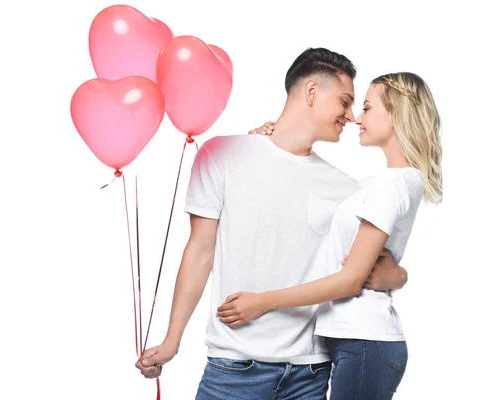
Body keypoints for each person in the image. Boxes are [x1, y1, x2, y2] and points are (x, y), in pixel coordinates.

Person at [135, 47, 408, 400]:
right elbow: (200, 253)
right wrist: (172, 341)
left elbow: (376, 266)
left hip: (310, 373)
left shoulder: (347, 189)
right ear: (311, 92)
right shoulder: (220, 156)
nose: (351, 116)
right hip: (233, 368)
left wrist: (400, 276)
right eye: (345, 101)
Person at [217, 72, 443, 399]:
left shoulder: (391, 184)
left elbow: (350, 280)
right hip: (355, 343)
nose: (357, 118)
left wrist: (262, 302)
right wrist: (270, 147)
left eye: (367, 108)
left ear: (396, 115)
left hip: (365, 342)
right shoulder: (381, 183)